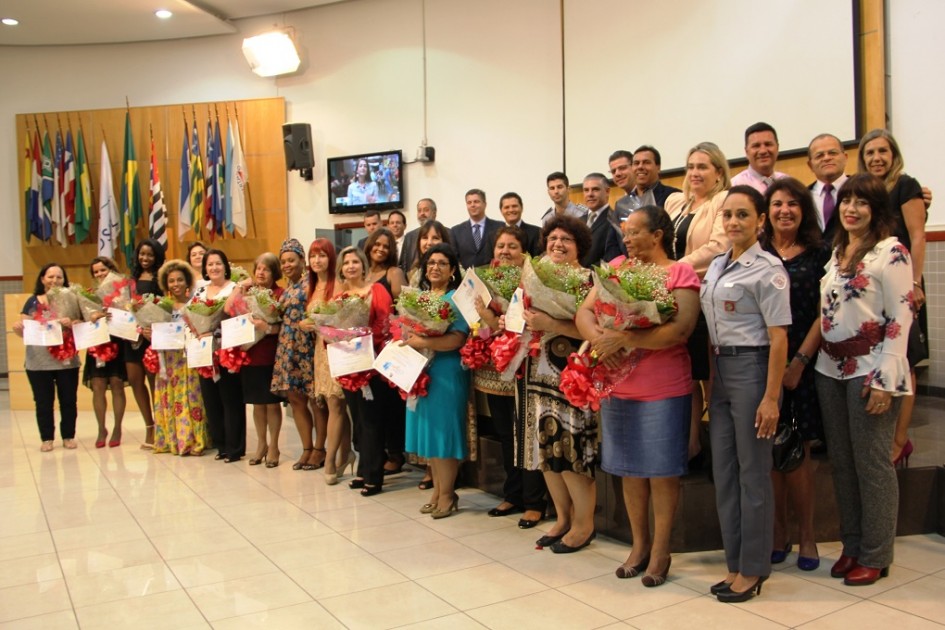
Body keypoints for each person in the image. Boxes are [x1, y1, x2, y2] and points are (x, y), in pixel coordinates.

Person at [576, 206, 700, 586]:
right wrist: (601, 339)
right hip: (619, 386)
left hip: (663, 387)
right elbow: (584, 311)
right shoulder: (615, 268)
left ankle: (661, 550)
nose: (626, 240)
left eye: (633, 233)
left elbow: (681, 330)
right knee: (630, 472)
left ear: (657, 235)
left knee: (661, 473)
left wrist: (626, 337)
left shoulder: (680, 272)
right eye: (625, 234)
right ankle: (639, 544)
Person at [815, 173, 914, 587]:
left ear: (877, 210)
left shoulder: (890, 251)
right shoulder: (838, 250)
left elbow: (901, 316)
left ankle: (876, 553)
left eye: (862, 202)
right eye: (847, 200)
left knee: (872, 465)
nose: (852, 208)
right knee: (842, 463)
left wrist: (885, 381)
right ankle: (852, 544)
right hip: (829, 370)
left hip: (869, 370)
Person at [701, 186, 790, 602]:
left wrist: (771, 398)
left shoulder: (768, 269)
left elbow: (778, 338)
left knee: (753, 472)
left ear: (760, 221)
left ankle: (754, 570)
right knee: (725, 473)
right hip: (720, 372)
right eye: (728, 215)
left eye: (743, 215)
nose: (734, 222)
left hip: (753, 370)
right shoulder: (718, 265)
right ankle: (734, 562)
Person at [761, 178, 830, 571]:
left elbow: (825, 312)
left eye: (792, 204)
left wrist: (799, 362)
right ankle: (777, 531)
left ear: (803, 210)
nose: (784, 210)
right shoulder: (756, 253)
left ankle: (807, 535)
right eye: (776, 204)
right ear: (766, 212)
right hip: (763, 365)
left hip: (803, 365)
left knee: (799, 453)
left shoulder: (820, 254)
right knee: (770, 453)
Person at [520, 215, 598, 553]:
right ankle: (563, 517)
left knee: (572, 450)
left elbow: (592, 331)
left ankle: (584, 524)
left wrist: (550, 321)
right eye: (552, 238)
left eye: (566, 239)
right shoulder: (536, 277)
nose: (558, 244)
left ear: (579, 245)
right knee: (546, 451)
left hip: (574, 375)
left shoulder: (589, 280)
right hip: (540, 372)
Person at [857, 129, 927, 466]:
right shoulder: (867, 192)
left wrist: (914, 281)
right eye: (869, 153)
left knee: (905, 361)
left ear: (893, 153)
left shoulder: (906, 185)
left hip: (902, 283)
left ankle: (900, 439)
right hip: (873, 288)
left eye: (882, 151)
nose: (876, 158)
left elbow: (917, 235)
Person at [473, 226, 547, 528]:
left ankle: (534, 500)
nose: (505, 251)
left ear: (524, 252)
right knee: (506, 433)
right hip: (494, 369)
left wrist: (497, 320)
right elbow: (480, 323)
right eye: (500, 246)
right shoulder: (484, 280)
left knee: (527, 434)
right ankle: (513, 494)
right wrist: (484, 316)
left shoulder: (534, 281)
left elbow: (526, 324)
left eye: (512, 246)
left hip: (526, 365)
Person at [665, 142, 732, 466]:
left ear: (719, 172)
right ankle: (691, 444)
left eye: (703, 166)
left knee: (709, 378)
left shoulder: (723, 201)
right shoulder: (676, 202)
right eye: (691, 166)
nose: (695, 172)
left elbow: (719, 247)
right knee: (686, 374)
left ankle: (719, 448)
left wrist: (672, 271)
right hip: (672, 297)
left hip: (706, 298)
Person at [402, 243, 470, 518]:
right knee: (429, 434)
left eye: (442, 263)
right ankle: (438, 490)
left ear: (452, 270)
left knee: (443, 436)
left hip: (446, 371)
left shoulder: (456, 298)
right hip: (422, 370)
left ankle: (447, 494)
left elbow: (457, 338)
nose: (435, 267)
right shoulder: (420, 298)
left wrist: (420, 340)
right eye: (431, 263)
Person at [334, 246, 394, 496]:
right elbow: (333, 327)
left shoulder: (376, 290)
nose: (351, 266)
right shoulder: (339, 299)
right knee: (357, 419)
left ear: (363, 266)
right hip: (349, 364)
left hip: (372, 363)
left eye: (355, 262)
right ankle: (363, 469)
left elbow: (385, 323)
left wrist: (363, 336)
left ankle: (374, 475)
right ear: (341, 269)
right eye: (346, 262)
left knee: (371, 421)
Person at [299, 238, 353, 485]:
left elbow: (348, 318)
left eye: (322, 255)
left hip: (338, 349)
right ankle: (345, 454)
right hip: (320, 351)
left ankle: (330, 459)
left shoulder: (339, 285)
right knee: (334, 405)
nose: (316, 260)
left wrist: (328, 326)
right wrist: (307, 324)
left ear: (331, 258)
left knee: (336, 404)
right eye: (313, 256)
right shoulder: (312, 286)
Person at [271, 238, 326, 471]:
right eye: (283, 261)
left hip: (308, 349)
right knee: (295, 400)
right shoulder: (287, 289)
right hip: (287, 349)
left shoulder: (310, 284)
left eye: (291, 260)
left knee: (316, 401)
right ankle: (306, 448)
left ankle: (320, 449)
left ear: (303, 261)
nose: (287, 265)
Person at [13, 263, 81, 452]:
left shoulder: (72, 299)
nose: (54, 281)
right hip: (38, 362)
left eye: (59, 277)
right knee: (43, 402)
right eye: (50, 276)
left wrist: (73, 322)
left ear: (64, 280)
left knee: (68, 400)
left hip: (67, 360)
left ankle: (68, 436)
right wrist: (17, 329)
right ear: (42, 279)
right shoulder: (32, 301)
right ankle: (47, 438)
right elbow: (24, 331)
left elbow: (81, 324)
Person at [229, 253, 285, 467]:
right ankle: (261, 444)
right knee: (257, 404)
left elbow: (284, 326)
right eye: (258, 268)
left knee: (271, 404)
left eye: (266, 269)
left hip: (270, 354)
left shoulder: (280, 294)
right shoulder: (248, 293)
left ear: (274, 272)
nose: (261, 272)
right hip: (250, 354)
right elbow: (229, 309)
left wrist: (267, 328)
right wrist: (240, 287)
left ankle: (274, 446)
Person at [192, 249, 246, 462]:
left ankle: (235, 447)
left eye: (218, 263)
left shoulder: (235, 288)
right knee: (211, 400)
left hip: (228, 350)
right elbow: (192, 318)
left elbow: (238, 314)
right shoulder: (200, 292)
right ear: (205, 269)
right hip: (206, 352)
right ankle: (221, 445)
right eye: (210, 264)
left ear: (225, 266)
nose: (214, 268)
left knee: (230, 399)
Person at [149, 259, 207, 456]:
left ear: (187, 281)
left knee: (191, 397)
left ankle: (195, 440)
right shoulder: (161, 306)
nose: (176, 284)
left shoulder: (196, 304)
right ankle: (174, 439)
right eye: (171, 281)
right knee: (171, 399)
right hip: (169, 360)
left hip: (189, 357)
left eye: (180, 280)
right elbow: (152, 330)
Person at [363, 227, 408, 475]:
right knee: (371, 405)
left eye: (386, 245)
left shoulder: (394, 273)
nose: (380, 249)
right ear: (369, 245)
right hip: (363, 349)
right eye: (376, 244)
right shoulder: (362, 273)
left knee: (389, 404)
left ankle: (395, 452)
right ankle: (374, 452)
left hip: (387, 347)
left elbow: (402, 310)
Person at [126, 238, 165, 448]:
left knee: (154, 382)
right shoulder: (129, 280)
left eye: (150, 254)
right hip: (131, 337)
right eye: (142, 254)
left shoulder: (161, 278)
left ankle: (161, 427)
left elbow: (165, 305)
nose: (145, 258)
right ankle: (148, 426)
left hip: (151, 336)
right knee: (134, 379)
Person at [85, 257, 128, 448]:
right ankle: (101, 428)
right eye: (96, 272)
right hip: (97, 342)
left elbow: (130, 312)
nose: (100, 274)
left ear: (111, 270)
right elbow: (82, 316)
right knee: (98, 385)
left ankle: (118, 428)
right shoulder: (89, 295)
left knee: (117, 384)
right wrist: (93, 315)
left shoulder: (123, 289)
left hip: (118, 340)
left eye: (103, 270)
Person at [610, 146, 681, 216]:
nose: (640, 167)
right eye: (636, 163)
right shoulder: (621, 204)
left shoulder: (672, 196)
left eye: (646, 162)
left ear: (658, 167)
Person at [806, 133, 849, 239]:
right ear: (810, 165)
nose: (826, 158)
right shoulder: (802, 197)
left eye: (832, 153)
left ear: (845, 157)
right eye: (819, 155)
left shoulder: (861, 190)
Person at [451, 189, 504, 269]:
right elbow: (454, 258)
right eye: (469, 202)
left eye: (476, 201)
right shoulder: (456, 231)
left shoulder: (499, 227)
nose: (472, 205)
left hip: (492, 277)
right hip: (466, 278)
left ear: (485, 204)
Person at [580, 172, 624, 267]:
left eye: (595, 189)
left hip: (599, 278)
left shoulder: (615, 220)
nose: (590, 194)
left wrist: (585, 273)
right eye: (586, 190)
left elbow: (612, 257)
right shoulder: (578, 221)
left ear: (607, 191)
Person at [730, 122, 788, 194]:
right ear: (746, 152)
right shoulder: (735, 186)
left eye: (768, 144)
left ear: (777, 148)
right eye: (756, 146)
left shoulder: (788, 183)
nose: (763, 151)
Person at [497, 192, 542, 256]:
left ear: (522, 208)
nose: (511, 210)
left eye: (514, 206)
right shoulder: (493, 235)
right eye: (506, 207)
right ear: (501, 211)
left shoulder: (537, 233)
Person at [399, 198, 437, 274]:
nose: (422, 213)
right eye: (419, 211)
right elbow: (403, 265)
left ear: (434, 213)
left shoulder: (447, 232)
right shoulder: (409, 236)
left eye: (426, 210)